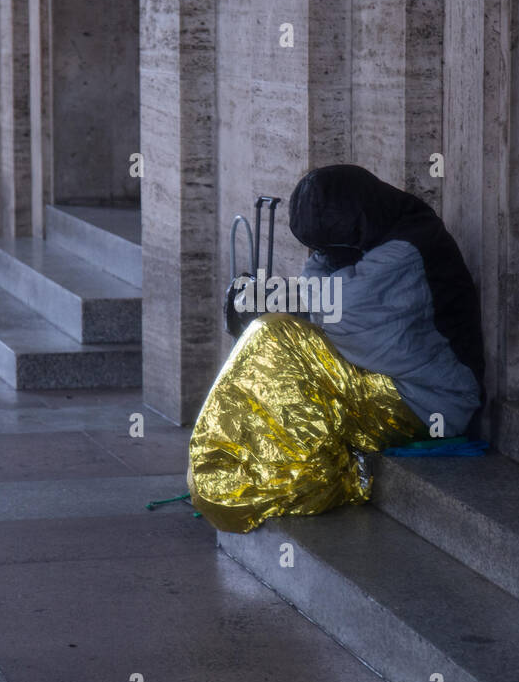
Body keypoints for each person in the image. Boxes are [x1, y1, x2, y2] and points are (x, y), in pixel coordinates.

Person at [187, 163, 484, 533]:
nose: (319, 251)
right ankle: (230, 467)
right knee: (271, 339)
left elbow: (351, 319)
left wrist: (300, 306)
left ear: (354, 221)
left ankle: (313, 479)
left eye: (325, 243)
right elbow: (322, 292)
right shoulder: (365, 235)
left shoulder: (409, 246)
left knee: (275, 337)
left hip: (429, 400)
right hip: (390, 378)